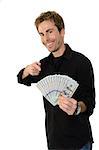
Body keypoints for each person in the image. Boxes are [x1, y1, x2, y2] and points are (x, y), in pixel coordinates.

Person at [17, 11, 95, 150]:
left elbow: (90, 102)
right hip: (54, 142)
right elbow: (21, 79)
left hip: (79, 142)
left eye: (49, 31)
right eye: (41, 34)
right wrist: (27, 70)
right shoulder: (43, 65)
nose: (46, 38)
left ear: (62, 31)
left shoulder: (82, 62)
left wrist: (77, 108)